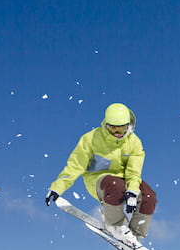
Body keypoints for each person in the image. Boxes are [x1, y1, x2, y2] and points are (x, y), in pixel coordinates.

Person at [44, 102, 157, 239]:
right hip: (98, 180)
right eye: (112, 128)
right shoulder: (91, 139)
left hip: (125, 179)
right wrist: (57, 187)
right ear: (106, 125)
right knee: (116, 186)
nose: (117, 133)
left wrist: (132, 190)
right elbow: (75, 165)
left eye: (121, 129)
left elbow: (134, 171)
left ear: (128, 126)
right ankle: (115, 226)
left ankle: (135, 236)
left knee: (148, 196)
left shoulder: (134, 142)